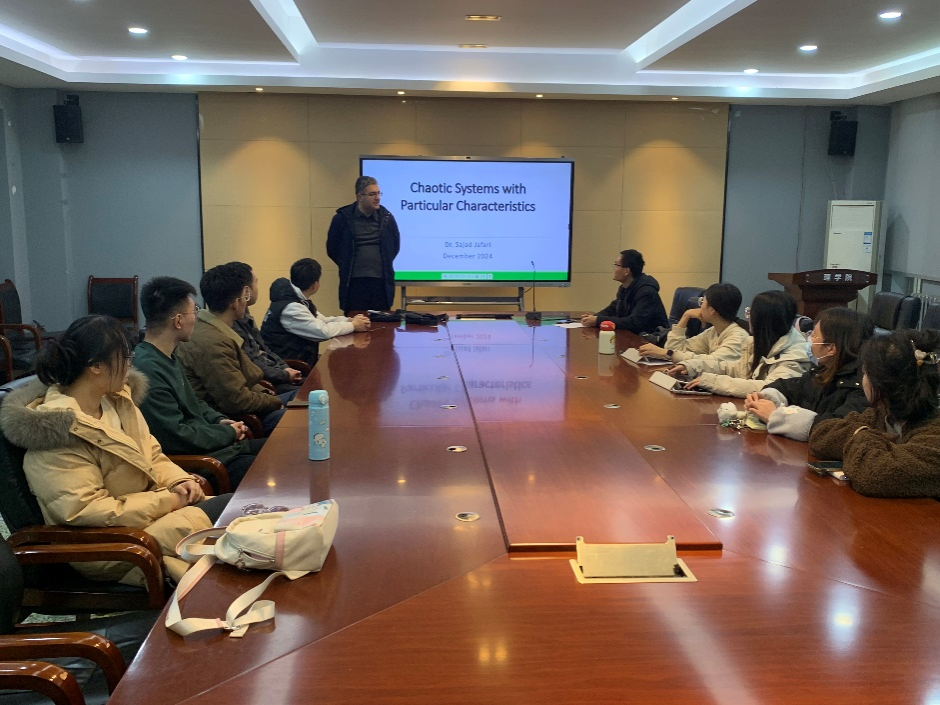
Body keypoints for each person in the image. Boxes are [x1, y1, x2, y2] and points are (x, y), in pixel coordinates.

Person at [0, 315, 231, 586]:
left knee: (241, 519)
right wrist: (168, 501)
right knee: (235, 522)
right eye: (125, 357)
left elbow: (152, 455)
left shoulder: (117, 402)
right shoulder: (57, 431)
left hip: (145, 521)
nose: (130, 365)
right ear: (96, 366)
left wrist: (178, 481)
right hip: (110, 545)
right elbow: (85, 510)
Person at [135, 276, 268, 489]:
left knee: (283, 449)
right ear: (178, 321)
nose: (196, 319)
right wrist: (228, 433)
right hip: (203, 464)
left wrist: (220, 420)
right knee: (277, 467)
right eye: (194, 312)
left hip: (218, 450)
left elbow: (194, 402)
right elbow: (177, 436)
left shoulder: (167, 356)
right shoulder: (147, 369)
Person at [809, 329, 940, 498]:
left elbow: (875, 474)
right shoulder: (881, 415)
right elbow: (820, 435)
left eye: (866, 372)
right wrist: (862, 433)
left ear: (882, 383)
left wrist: (860, 436)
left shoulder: (934, 432)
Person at [176, 263, 293, 436]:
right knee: (306, 414)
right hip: (238, 419)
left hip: (252, 404)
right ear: (237, 302)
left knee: (307, 398)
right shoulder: (213, 342)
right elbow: (237, 400)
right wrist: (274, 402)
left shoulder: (210, 328)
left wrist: (269, 397)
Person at [742, 307, 873, 441]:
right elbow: (789, 387)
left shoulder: (863, 387)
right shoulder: (823, 370)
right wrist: (766, 398)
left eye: (814, 335)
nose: (809, 340)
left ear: (831, 348)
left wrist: (775, 416)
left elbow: (835, 430)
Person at [668, 290, 810, 397]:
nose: (748, 318)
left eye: (750, 313)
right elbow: (736, 369)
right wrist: (693, 366)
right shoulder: (761, 342)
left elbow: (768, 388)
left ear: (763, 320)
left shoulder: (794, 356)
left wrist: (711, 381)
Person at [261, 258, 370, 368]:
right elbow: (322, 332)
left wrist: (348, 320)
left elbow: (321, 320)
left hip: (294, 361)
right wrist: (353, 325)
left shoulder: (294, 298)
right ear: (315, 285)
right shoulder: (291, 308)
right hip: (286, 366)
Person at [327, 175, 401, 314]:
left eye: (379, 193)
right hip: (354, 283)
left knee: (382, 323)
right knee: (355, 322)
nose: (377, 198)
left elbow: (394, 247)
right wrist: (347, 263)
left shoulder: (387, 218)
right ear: (360, 196)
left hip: (381, 284)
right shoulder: (342, 219)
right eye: (372, 194)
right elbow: (332, 249)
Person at [227, 262, 303, 394]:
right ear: (246, 291)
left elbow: (263, 348)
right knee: (314, 392)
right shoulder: (232, 324)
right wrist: (284, 374)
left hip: (274, 374)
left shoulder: (244, 313)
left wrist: (284, 368)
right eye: (256, 283)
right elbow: (252, 363)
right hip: (266, 384)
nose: (257, 288)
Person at [637, 282, 748, 363]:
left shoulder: (738, 338)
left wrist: (668, 354)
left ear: (712, 310)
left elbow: (713, 362)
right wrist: (686, 316)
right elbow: (675, 348)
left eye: (702, 301)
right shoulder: (713, 331)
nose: (700, 306)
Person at [580, 249, 669, 334]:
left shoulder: (647, 292)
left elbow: (634, 322)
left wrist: (598, 320)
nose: (614, 269)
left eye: (616, 265)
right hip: (633, 336)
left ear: (626, 271)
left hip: (650, 338)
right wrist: (595, 317)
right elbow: (613, 309)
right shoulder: (625, 288)